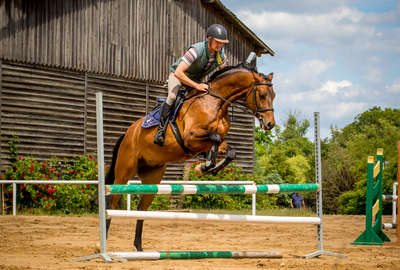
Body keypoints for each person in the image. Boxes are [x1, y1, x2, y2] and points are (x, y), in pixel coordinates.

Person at [153, 24, 229, 146]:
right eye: (217, 42)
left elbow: (222, 74)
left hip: (196, 80)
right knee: (172, 97)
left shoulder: (221, 56)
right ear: (209, 38)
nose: (219, 45)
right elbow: (178, 72)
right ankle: (160, 131)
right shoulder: (195, 50)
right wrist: (197, 86)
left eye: (222, 43)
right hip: (179, 76)